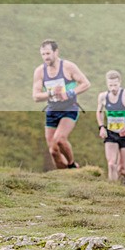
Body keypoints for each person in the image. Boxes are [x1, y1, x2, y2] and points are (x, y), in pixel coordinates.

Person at [31, 39, 91, 169]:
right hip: (52, 110)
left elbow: (86, 84)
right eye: (43, 54)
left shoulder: (68, 67)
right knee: (53, 151)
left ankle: (72, 165)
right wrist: (52, 93)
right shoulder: (40, 71)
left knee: (59, 139)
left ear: (56, 52)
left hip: (69, 108)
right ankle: (66, 176)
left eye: (48, 53)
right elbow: (36, 96)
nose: (46, 57)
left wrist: (69, 93)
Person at [96, 70, 125, 187]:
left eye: (115, 85)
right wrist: (101, 127)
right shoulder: (103, 96)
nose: (113, 88)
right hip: (111, 133)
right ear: (107, 84)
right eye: (110, 85)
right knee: (112, 164)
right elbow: (99, 111)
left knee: (122, 168)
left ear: (120, 82)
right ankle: (113, 190)